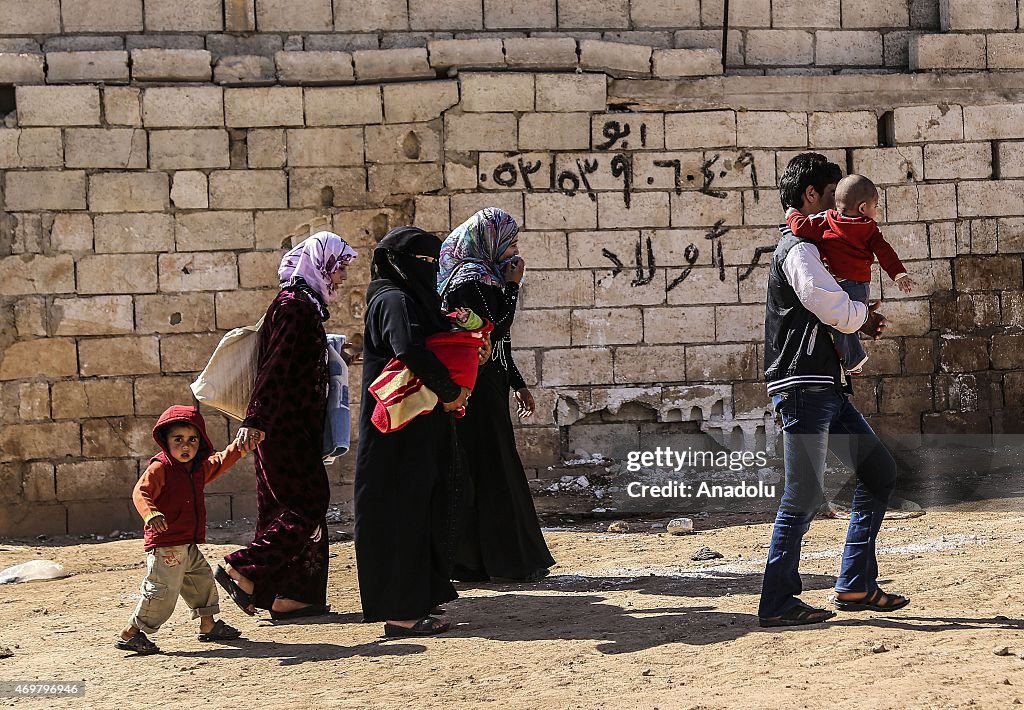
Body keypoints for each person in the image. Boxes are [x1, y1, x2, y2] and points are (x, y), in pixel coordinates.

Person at [759, 153, 908, 628]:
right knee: (802, 495)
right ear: (811, 197)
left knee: (878, 471)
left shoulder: (815, 246)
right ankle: (778, 601)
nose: (838, 210)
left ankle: (856, 583)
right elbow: (829, 305)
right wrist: (865, 316)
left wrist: (861, 314)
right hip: (804, 385)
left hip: (825, 384)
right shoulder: (799, 251)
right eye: (831, 197)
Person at [217, 231, 357, 621]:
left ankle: (293, 595)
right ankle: (243, 568)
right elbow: (275, 364)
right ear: (321, 265)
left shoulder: (303, 305)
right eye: (340, 267)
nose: (343, 277)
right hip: (285, 426)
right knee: (308, 505)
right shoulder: (296, 306)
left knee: (281, 509)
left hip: (293, 425)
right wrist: (257, 419)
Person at [354, 226, 471, 637]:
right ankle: (400, 613)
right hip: (395, 430)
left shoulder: (412, 299)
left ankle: (419, 596)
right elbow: (409, 349)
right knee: (401, 513)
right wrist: (451, 391)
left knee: (425, 506)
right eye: (426, 262)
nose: (432, 271)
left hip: (417, 423)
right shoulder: (393, 300)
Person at [438, 208, 555, 583]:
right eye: (512, 242)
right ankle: (493, 560)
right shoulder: (469, 279)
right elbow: (496, 326)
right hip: (477, 388)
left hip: (490, 383)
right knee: (488, 466)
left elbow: (499, 342)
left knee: (492, 464)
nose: (516, 250)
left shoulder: (485, 276)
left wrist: (517, 381)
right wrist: (514, 286)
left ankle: (488, 559)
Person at [116, 405, 251, 655]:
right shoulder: (161, 468)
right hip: (166, 545)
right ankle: (131, 633)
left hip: (187, 544)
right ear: (165, 441)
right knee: (161, 593)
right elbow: (141, 492)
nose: (186, 446)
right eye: (178, 440)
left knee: (202, 581)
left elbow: (221, 460)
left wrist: (242, 445)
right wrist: (151, 513)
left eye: (192, 440)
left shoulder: (197, 469)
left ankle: (208, 625)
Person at [785, 173, 915, 373]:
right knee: (842, 324)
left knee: (841, 326)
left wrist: (791, 212)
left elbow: (800, 226)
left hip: (839, 284)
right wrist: (899, 275)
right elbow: (885, 253)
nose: (876, 211)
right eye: (876, 206)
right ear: (863, 208)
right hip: (859, 286)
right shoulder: (870, 230)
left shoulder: (826, 221)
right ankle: (853, 359)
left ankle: (852, 360)